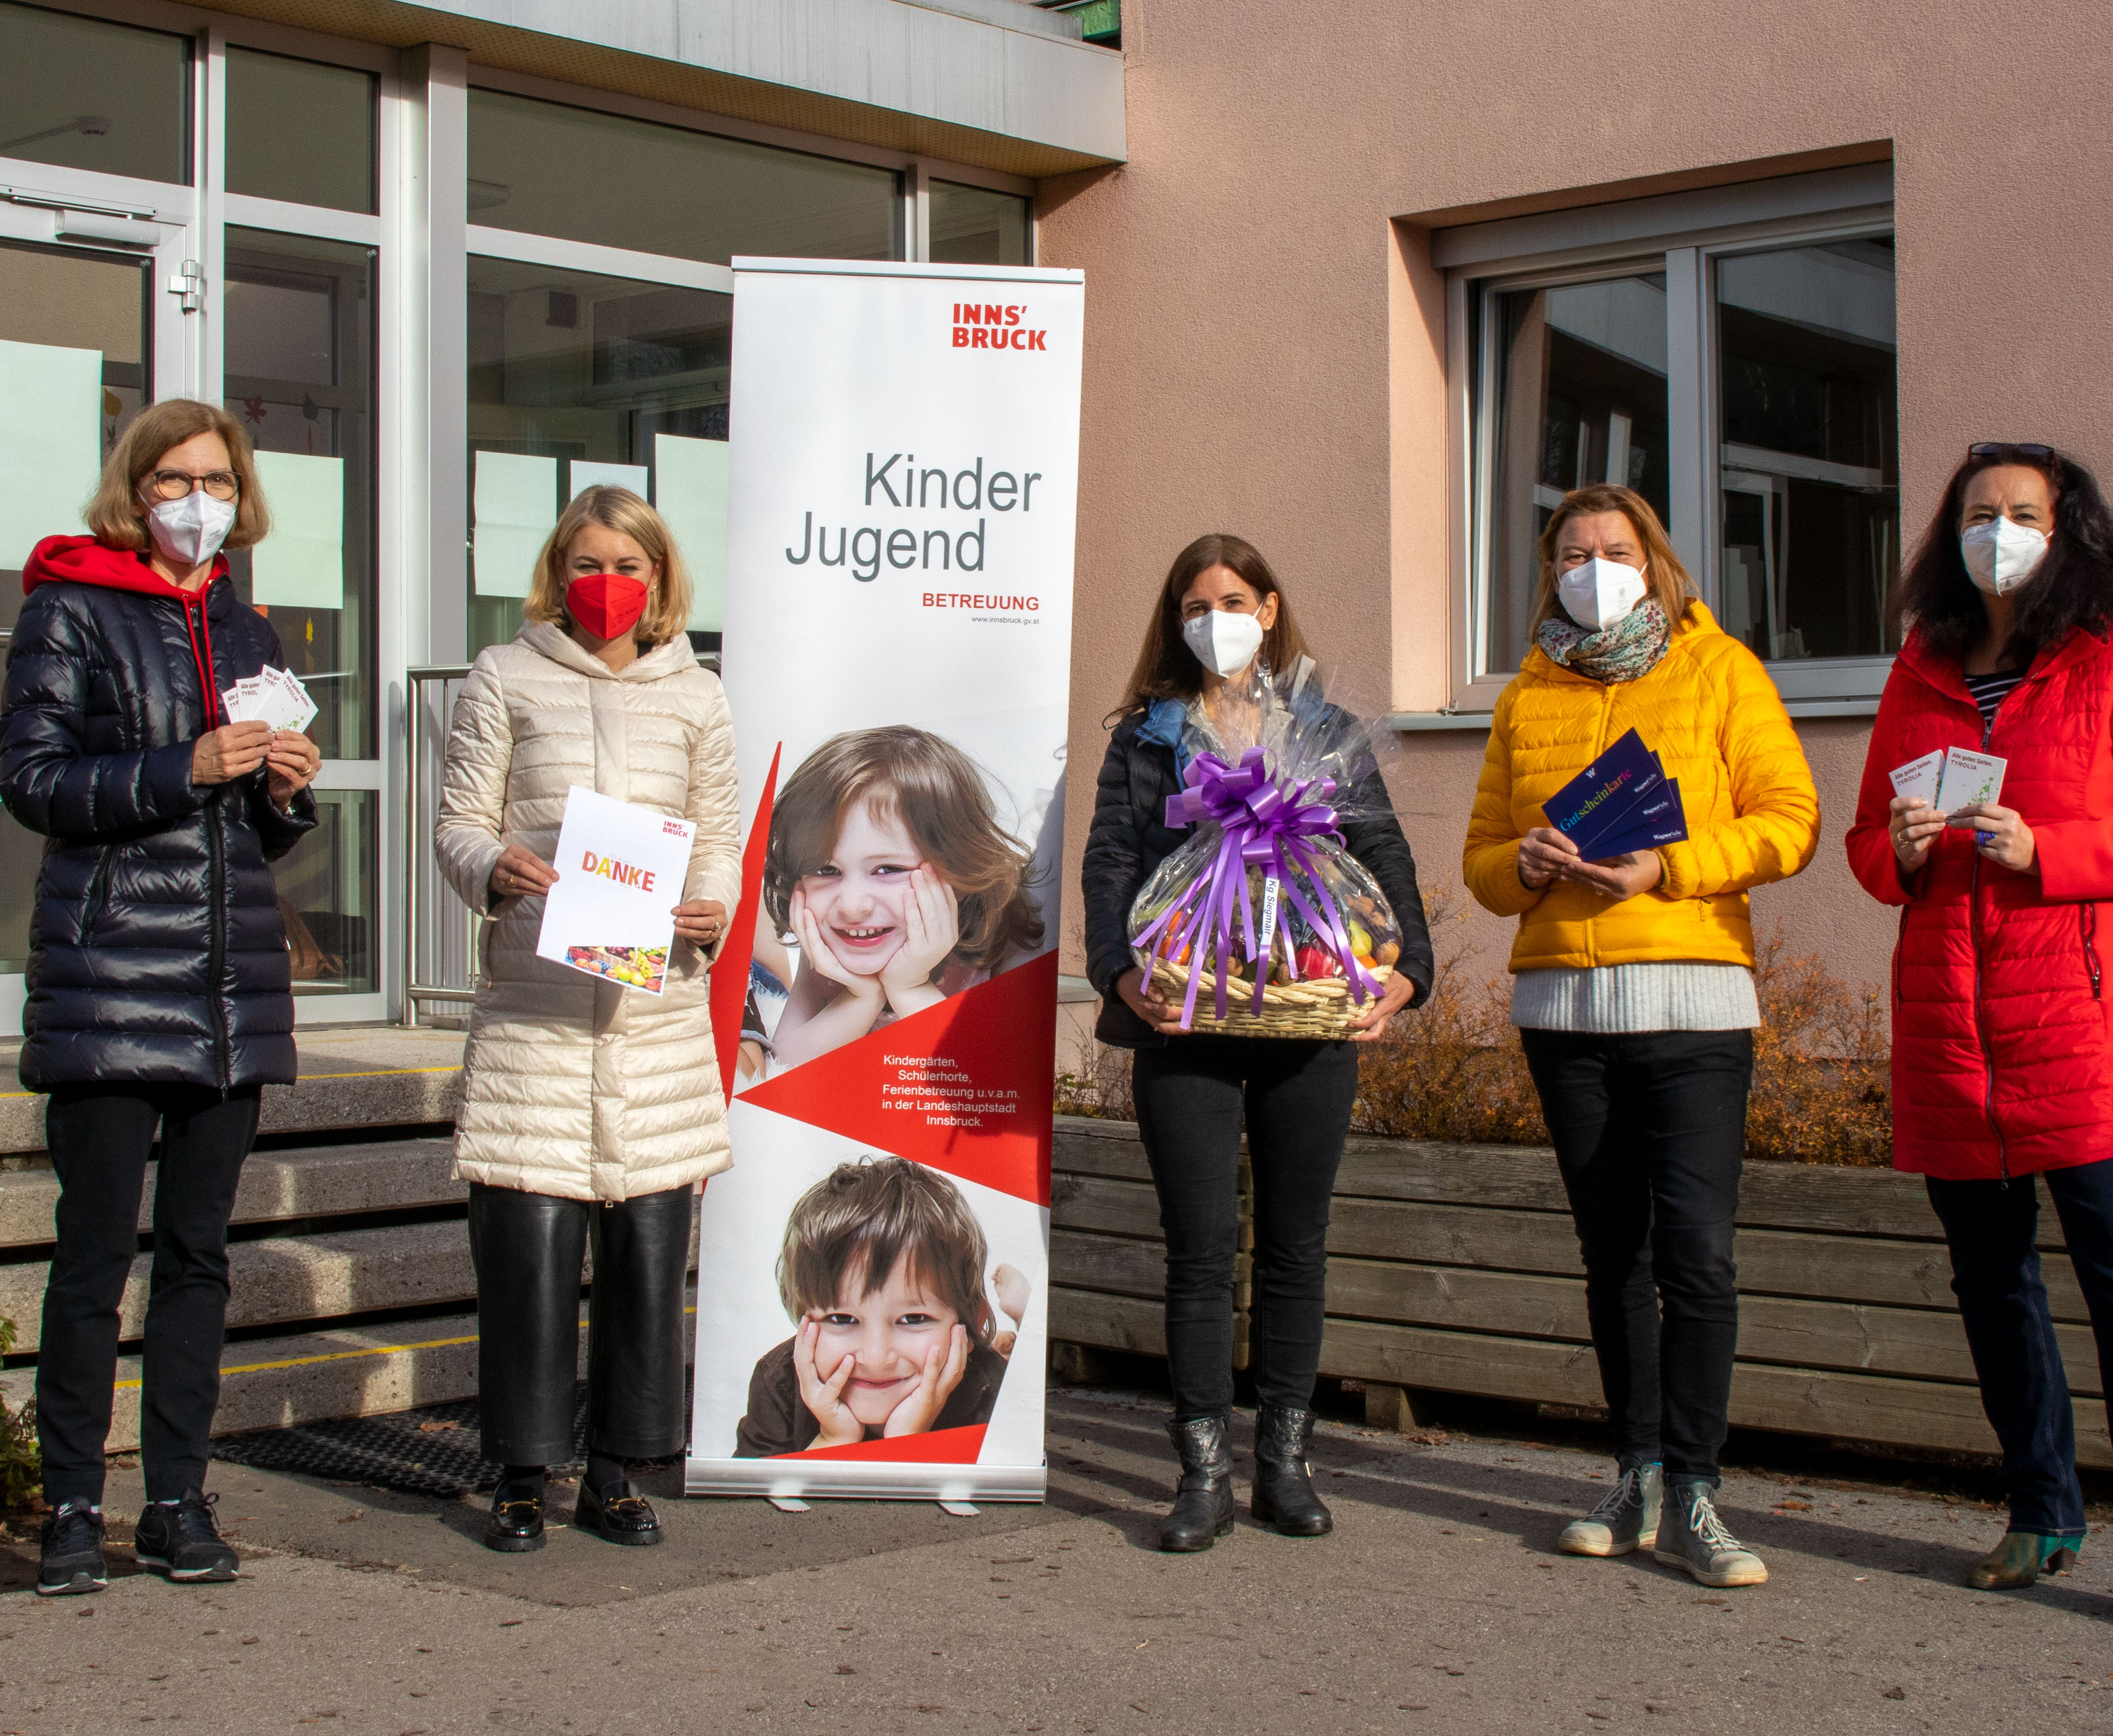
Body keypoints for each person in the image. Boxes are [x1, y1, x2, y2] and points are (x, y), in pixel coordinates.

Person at [1846, 442, 2113, 1640]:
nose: (1995, 532)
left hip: (2086, 1027)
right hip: (1952, 1030)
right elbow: (1865, 846)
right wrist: (1903, 849)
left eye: (2020, 514)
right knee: (1991, 1285)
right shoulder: (1922, 666)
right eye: (1976, 513)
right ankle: (2038, 1510)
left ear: (2068, 532)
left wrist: (2045, 850)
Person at [1461, 484, 1818, 1589]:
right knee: (1611, 1256)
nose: (1593, 569)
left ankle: (1697, 1492)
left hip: (1693, 1006)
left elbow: (1789, 820)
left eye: (1613, 551)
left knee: (1696, 1256)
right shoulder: (1526, 693)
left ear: (1653, 561)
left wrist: (1668, 867)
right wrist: (1519, 866)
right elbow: (1480, 863)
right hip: (1563, 1015)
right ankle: (1636, 1474)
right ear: (1549, 571)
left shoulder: (1721, 671)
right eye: (1572, 554)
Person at [3, 398, 322, 1597]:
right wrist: (181, 765)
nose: (201, 501)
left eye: (220, 481)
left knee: (198, 1259)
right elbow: (33, 781)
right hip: (112, 977)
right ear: (133, 492)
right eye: (177, 480)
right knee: (93, 1260)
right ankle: (71, 1506)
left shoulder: (245, 625)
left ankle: (178, 1501)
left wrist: (281, 792)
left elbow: (255, 837)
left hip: (228, 987)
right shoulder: (69, 607)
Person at [1082, 533, 1432, 1553]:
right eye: (1194, 607)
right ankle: (1201, 1471)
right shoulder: (1146, 737)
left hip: (1307, 1020)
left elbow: (1380, 846)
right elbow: (1110, 858)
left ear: (1268, 610)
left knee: (1293, 1246)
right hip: (1185, 1017)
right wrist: (1118, 972)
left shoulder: (1323, 728)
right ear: (1175, 620)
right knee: (1196, 1251)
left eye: (1232, 602)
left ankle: (1283, 1461)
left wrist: (1408, 971)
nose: (1214, 622)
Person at [433, 484, 741, 1554]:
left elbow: (716, 836)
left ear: (658, 579)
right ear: (558, 571)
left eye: (627, 566)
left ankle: (614, 1474)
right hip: (538, 1019)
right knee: (527, 1264)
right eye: (588, 564)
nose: (606, 585)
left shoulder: (696, 694)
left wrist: (713, 904)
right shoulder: (502, 675)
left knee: (645, 1265)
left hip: (655, 1023)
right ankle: (522, 1475)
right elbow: (457, 822)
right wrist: (493, 866)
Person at [756, 726, 1047, 1073]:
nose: (851, 906)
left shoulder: (1000, 934)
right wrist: (861, 997)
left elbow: (989, 1080)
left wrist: (910, 988)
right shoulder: (829, 941)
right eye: (825, 870)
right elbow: (785, 1063)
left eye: (888, 869)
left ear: (960, 869)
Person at [732, 1156, 1032, 1455]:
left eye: (914, 1318)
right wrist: (832, 1441)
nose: (876, 1358)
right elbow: (751, 1486)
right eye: (842, 1319)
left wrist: (907, 1443)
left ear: (971, 1325)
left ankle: (1025, 1326)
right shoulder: (779, 1384)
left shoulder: (997, 1398)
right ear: (804, 1324)